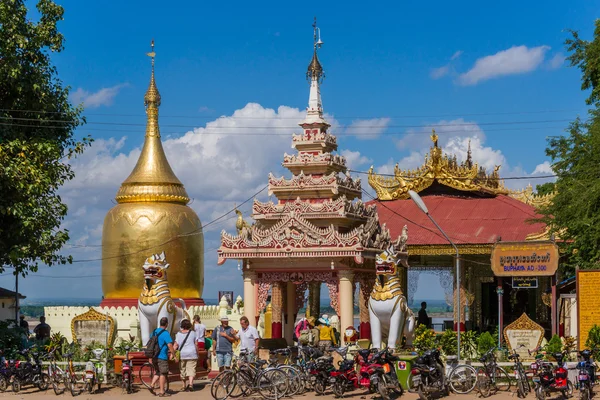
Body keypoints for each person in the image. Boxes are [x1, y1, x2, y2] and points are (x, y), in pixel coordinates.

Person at [149, 317, 175, 397]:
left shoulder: (154, 332)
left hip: (154, 356)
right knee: (163, 373)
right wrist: (173, 354)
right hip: (162, 356)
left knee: (157, 371)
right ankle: (162, 392)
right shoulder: (165, 333)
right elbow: (170, 345)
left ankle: (152, 385)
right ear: (166, 324)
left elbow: (150, 345)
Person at [174, 319, 197, 392]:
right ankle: (190, 384)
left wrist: (173, 354)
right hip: (192, 353)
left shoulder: (178, 334)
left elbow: (175, 345)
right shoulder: (193, 333)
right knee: (191, 369)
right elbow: (196, 344)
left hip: (182, 354)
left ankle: (183, 385)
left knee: (182, 369)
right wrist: (198, 353)